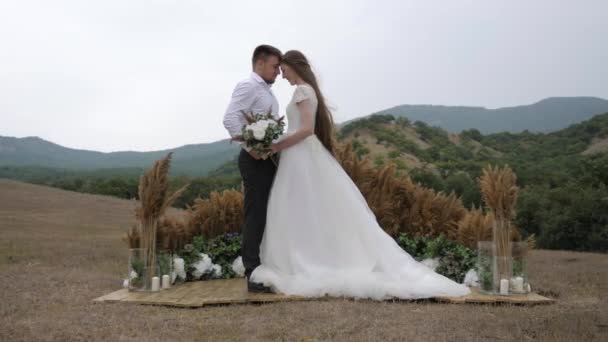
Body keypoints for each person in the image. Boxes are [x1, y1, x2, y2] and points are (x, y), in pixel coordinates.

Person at [249, 50, 471, 300]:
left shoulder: (302, 91)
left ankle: (307, 259)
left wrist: (276, 145)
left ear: (293, 66)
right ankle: (308, 255)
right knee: (304, 209)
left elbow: (307, 130)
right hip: (298, 157)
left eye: (284, 69)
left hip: (300, 156)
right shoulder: (306, 90)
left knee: (301, 208)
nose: (281, 74)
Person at [222, 44, 281, 293]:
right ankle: (252, 273)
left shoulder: (265, 91)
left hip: (268, 159)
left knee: (267, 213)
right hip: (254, 160)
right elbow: (230, 118)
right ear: (260, 64)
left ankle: (266, 267)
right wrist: (252, 148)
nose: (278, 71)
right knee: (255, 215)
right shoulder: (248, 86)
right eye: (275, 66)